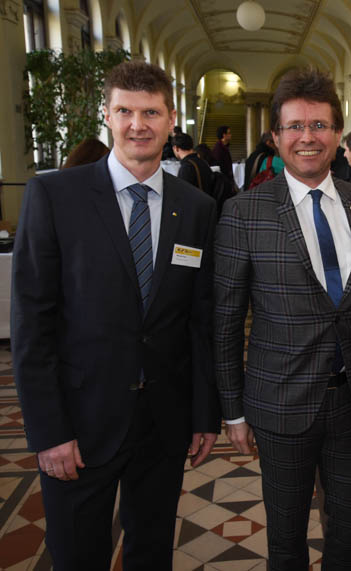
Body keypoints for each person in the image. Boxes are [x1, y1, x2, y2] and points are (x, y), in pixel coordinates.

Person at [11, 60, 220, 570]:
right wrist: (48, 431)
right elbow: (32, 325)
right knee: (77, 557)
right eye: (125, 111)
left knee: (152, 554)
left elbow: (200, 321)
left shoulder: (196, 207)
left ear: (171, 120)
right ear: (106, 115)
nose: (137, 125)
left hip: (163, 424)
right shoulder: (55, 196)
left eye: (151, 113)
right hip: (79, 426)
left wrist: (203, 415)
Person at [214, 67, 351, 570]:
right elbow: (226, 319)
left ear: (338, 133)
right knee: (286, 535)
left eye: (319, 125)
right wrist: (233, 411)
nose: (307, 137)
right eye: (294, 126)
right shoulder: (244, 212)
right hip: (280, 402)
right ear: (275, 136)